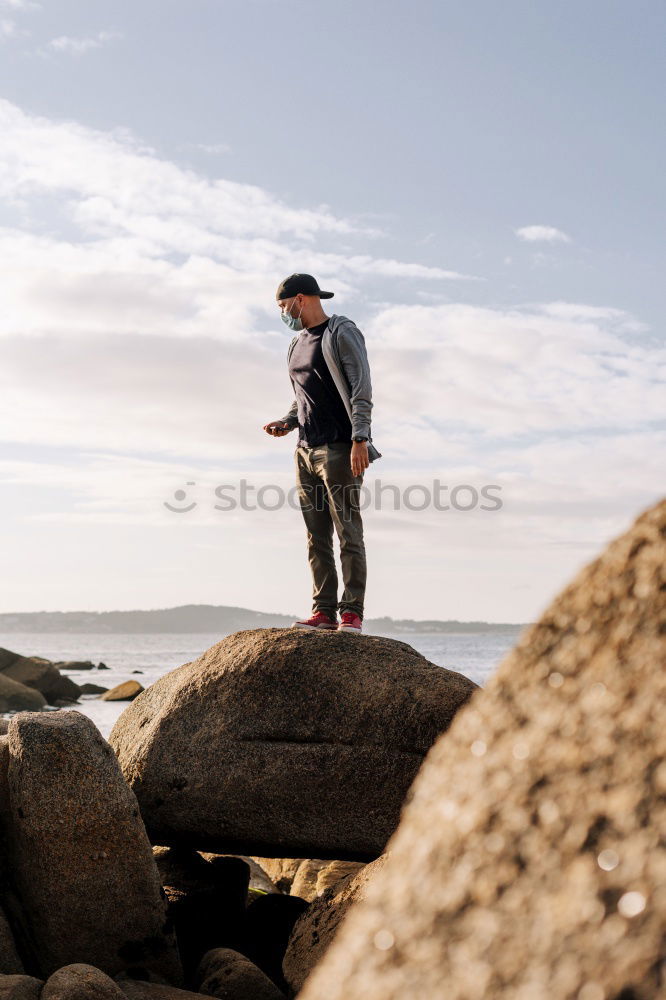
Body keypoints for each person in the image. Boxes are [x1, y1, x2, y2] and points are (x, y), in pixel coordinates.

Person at [263, 273, 381, 634]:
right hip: (305, 451)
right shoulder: (295, 344)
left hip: (340, 448)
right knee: (316, 536)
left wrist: (360, 438)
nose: (284, 314)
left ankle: (352, 612)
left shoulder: (341, 332)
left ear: (302, 299)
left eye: (284, 306)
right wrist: (287, 422)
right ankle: (324, 611)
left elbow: (361, 387)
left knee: (348, 530)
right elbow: (304, 396)